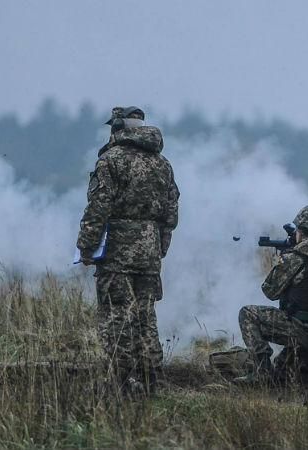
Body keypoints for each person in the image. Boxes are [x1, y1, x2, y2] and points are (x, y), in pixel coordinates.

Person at [76, 106, 179, 393]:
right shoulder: (163, 164)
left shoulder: (111, 160)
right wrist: (160, 247)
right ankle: (152, 382)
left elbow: (98, 207)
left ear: (118, 127)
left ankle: (119, 384)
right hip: (150, 251)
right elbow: (171, 213)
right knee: (146, 318)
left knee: (116, 318)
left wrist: (86, 246)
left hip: (117, 252)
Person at [236, 204, 308, 384]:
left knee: (248, 314)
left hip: (303, 332)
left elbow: (270, 291)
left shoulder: (295, 258)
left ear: (302, 231)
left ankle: (262, 373)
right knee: (283, 372)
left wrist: (283, 261)